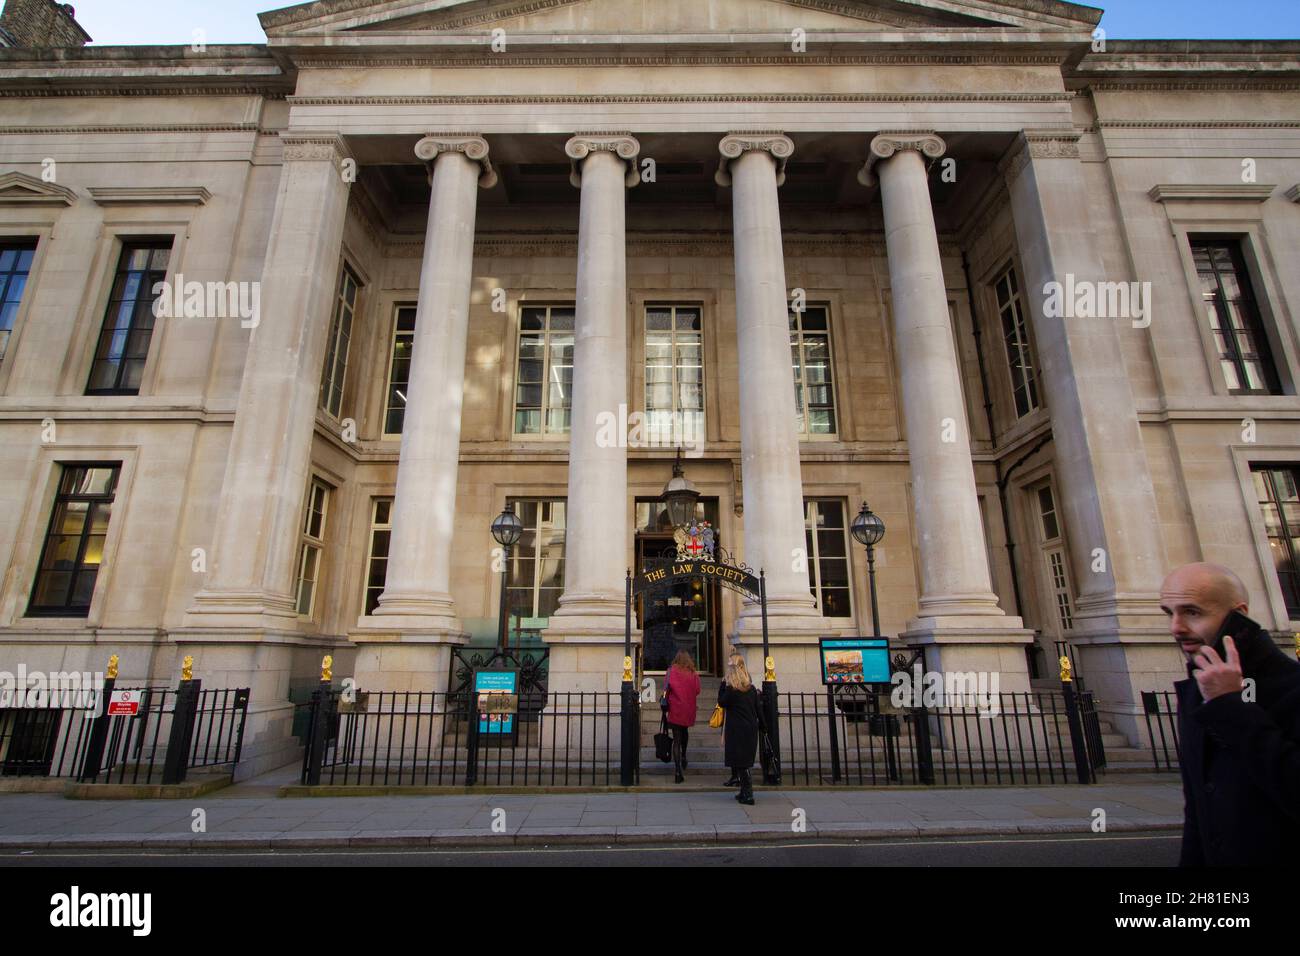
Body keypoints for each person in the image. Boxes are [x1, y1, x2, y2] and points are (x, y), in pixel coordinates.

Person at [1159, 561, 1300, 866]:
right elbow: (1198, 814)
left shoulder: (1291, 687)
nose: (1176, 628)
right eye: (1169, 613)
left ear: (1240, 614)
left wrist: (1231, 707)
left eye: (1192, 612)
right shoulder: (1198, 690)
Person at [718, 654, 763, 805]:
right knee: (743, 762)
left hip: (737, 729)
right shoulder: (750, 690)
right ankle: (744, 791)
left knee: (742, 763)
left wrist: (722, 685)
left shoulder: (731, 691)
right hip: (750, 728)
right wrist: (764, 726)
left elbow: (721, 702)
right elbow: (758, 710)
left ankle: (748, 794)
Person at [664, 649, 701, 784]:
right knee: (684, 732)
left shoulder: (671, 671)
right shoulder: (693, 673)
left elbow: (666, 689)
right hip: (688, 708)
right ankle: (684, 755)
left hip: (675, 708)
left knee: (676, 739)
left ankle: (678, 770)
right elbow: (697, 690)